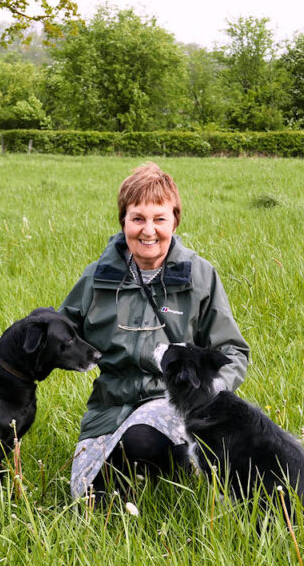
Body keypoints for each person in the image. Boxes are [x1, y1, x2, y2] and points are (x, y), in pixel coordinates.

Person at [59, 162, 250, 501]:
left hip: (174, 401)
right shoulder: (97, 278)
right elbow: (59, 335)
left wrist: (207, 394)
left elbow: (233, 351)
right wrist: (8, 355)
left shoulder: (200, 276)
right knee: (87, 502)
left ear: (175, 221)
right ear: (124, 222)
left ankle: (179, 463)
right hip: (110, 405)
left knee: (142, 439)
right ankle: (127, 470)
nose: (149, 231)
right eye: (138, 218)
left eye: (159, 219)